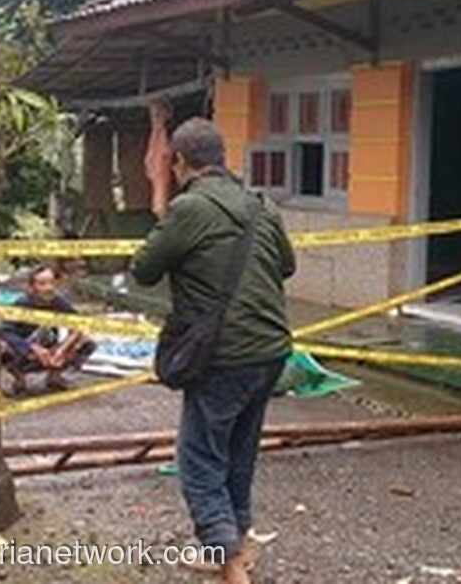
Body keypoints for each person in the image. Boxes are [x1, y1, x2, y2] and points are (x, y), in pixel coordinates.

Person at [130, 118, 295, 584]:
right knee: (239, 454)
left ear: (179, 162)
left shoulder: (189, 208)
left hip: (223, 354)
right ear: (222, 158)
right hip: (271, 349)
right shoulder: (261, 205)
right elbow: (287, 264)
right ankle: (234, 546)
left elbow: (143, 268)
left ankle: (230, 564)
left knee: (199, 460)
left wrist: (163, 201)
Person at [0, 264, 97, 394]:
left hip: (51, 350)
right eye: (42, 284)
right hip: (25, 352)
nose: (48, 288)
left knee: (87, 342)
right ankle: (19, 379)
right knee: (0, 346)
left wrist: (62, 349)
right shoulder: (22, 304)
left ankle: (54, 377)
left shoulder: (58, 302)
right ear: (32, 287)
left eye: (51, 283)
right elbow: (4, 331)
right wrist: (31, 348)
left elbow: (78, 323)